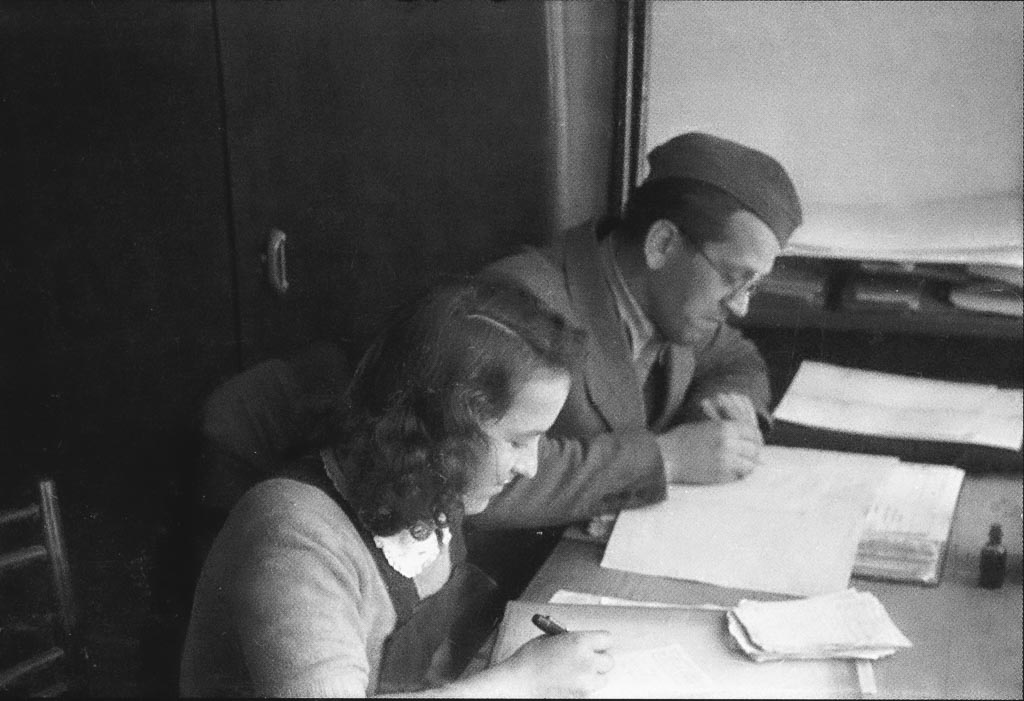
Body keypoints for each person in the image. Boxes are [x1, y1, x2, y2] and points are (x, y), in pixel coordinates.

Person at [179, 278, 613, 697]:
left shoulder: (429, 492)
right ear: (443, 426)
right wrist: (522, 682)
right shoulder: (294, 537)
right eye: (517, 441)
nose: (531, 467)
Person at [468, 132, 802, 577]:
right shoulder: (524, 301)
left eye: (753, 286)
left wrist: (723, 411)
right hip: (509, 580)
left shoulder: (673, 304)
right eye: (733, 277)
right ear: (662, 243)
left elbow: (736, 361)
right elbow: (473, 478)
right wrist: (668, 458)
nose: (741, 306)